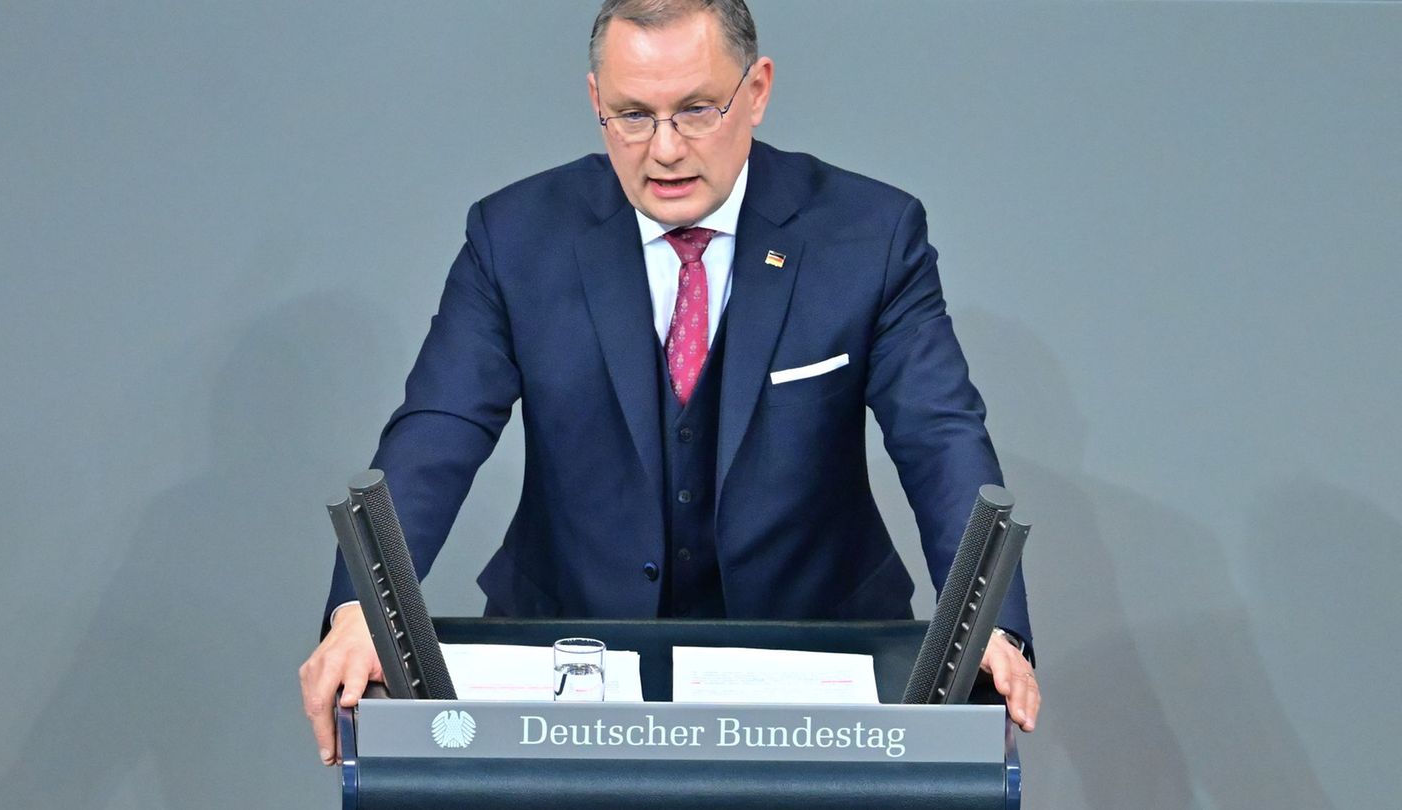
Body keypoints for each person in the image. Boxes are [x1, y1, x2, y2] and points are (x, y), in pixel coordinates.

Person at [300, 0, 1040, 766]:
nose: (664, 152)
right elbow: (437, 428)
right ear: (595, 101)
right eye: (632, 115)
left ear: (756, 91)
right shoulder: (516, 237)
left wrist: (987, 627)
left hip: (815, 654)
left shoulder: (870, 235)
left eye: (695, 111)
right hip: (573, 654)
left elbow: (939, 437)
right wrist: (363, 609)